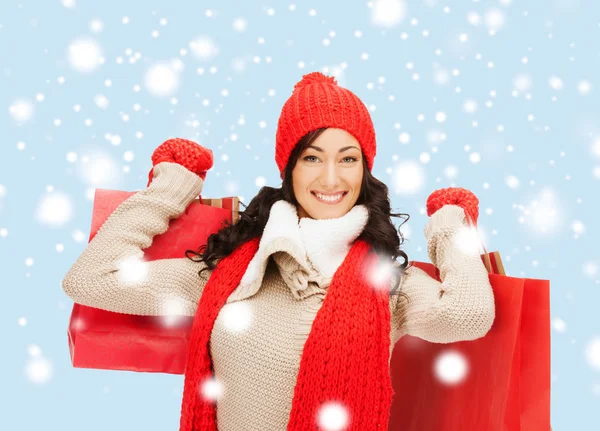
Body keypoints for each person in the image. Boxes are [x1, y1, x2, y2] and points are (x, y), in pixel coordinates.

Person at [62, 72, 495, 431]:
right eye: (311, 157)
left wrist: (448, 225)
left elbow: (470, 315)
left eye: (348, 159)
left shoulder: (387, 284)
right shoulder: (230, 273)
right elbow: (89, 280)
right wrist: (171, 188)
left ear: (365, 170)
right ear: (287, 167)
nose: (330, 178)